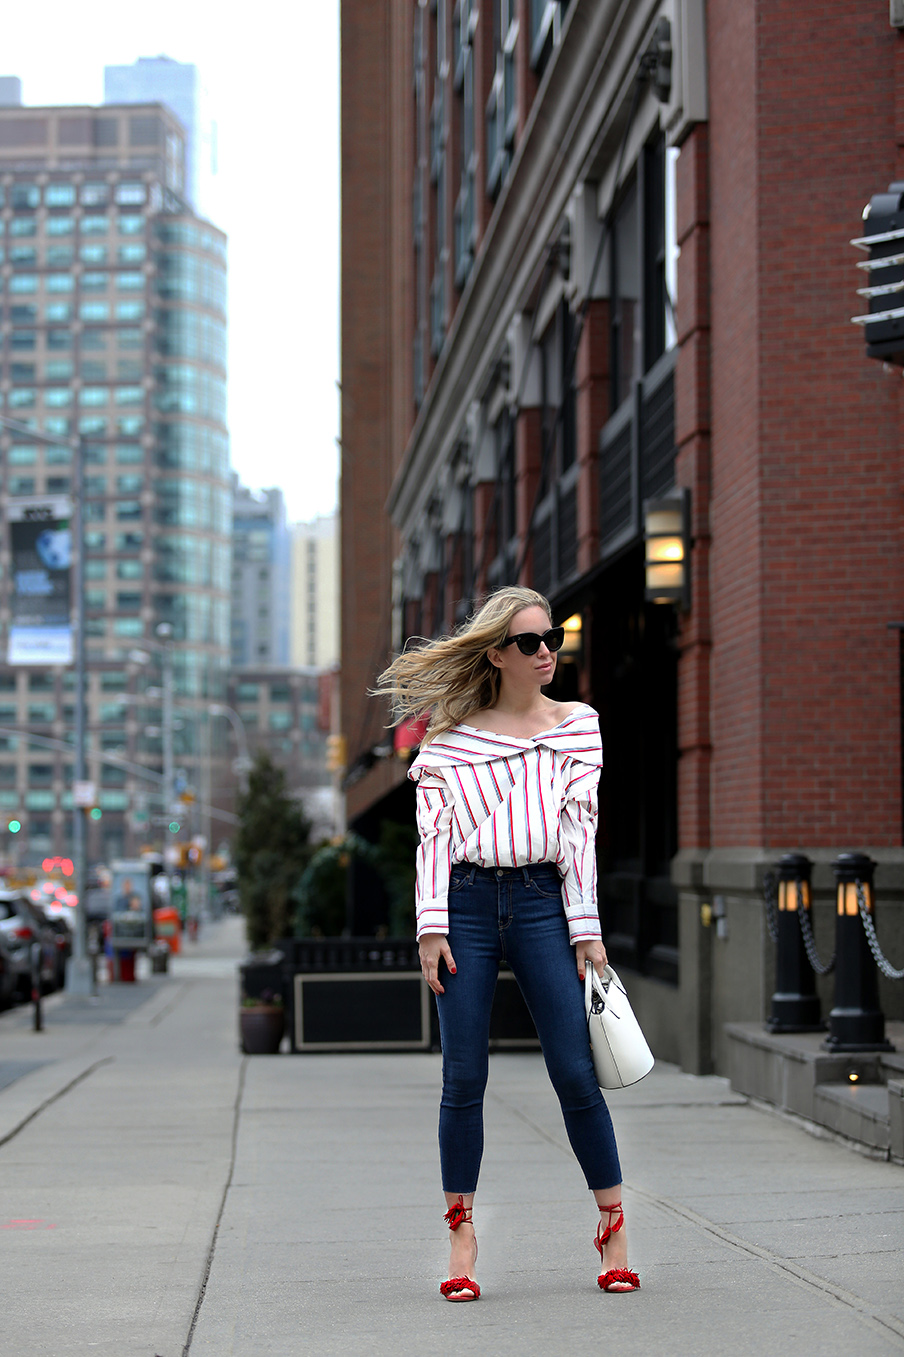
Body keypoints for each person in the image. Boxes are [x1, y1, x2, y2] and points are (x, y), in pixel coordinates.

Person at [374, 586, 639, 1301]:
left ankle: (613, 1230)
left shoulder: (578, 726)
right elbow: (435, 838)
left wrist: (586, 932)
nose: (547, 649)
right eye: (529, 641)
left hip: (540, 904)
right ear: (497, 652)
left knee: (575, 1072)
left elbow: (578, 835)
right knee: (464, 1077)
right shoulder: (451, 740)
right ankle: (461, 1234)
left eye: (551, 636)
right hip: (462, 904)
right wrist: (431, 926)